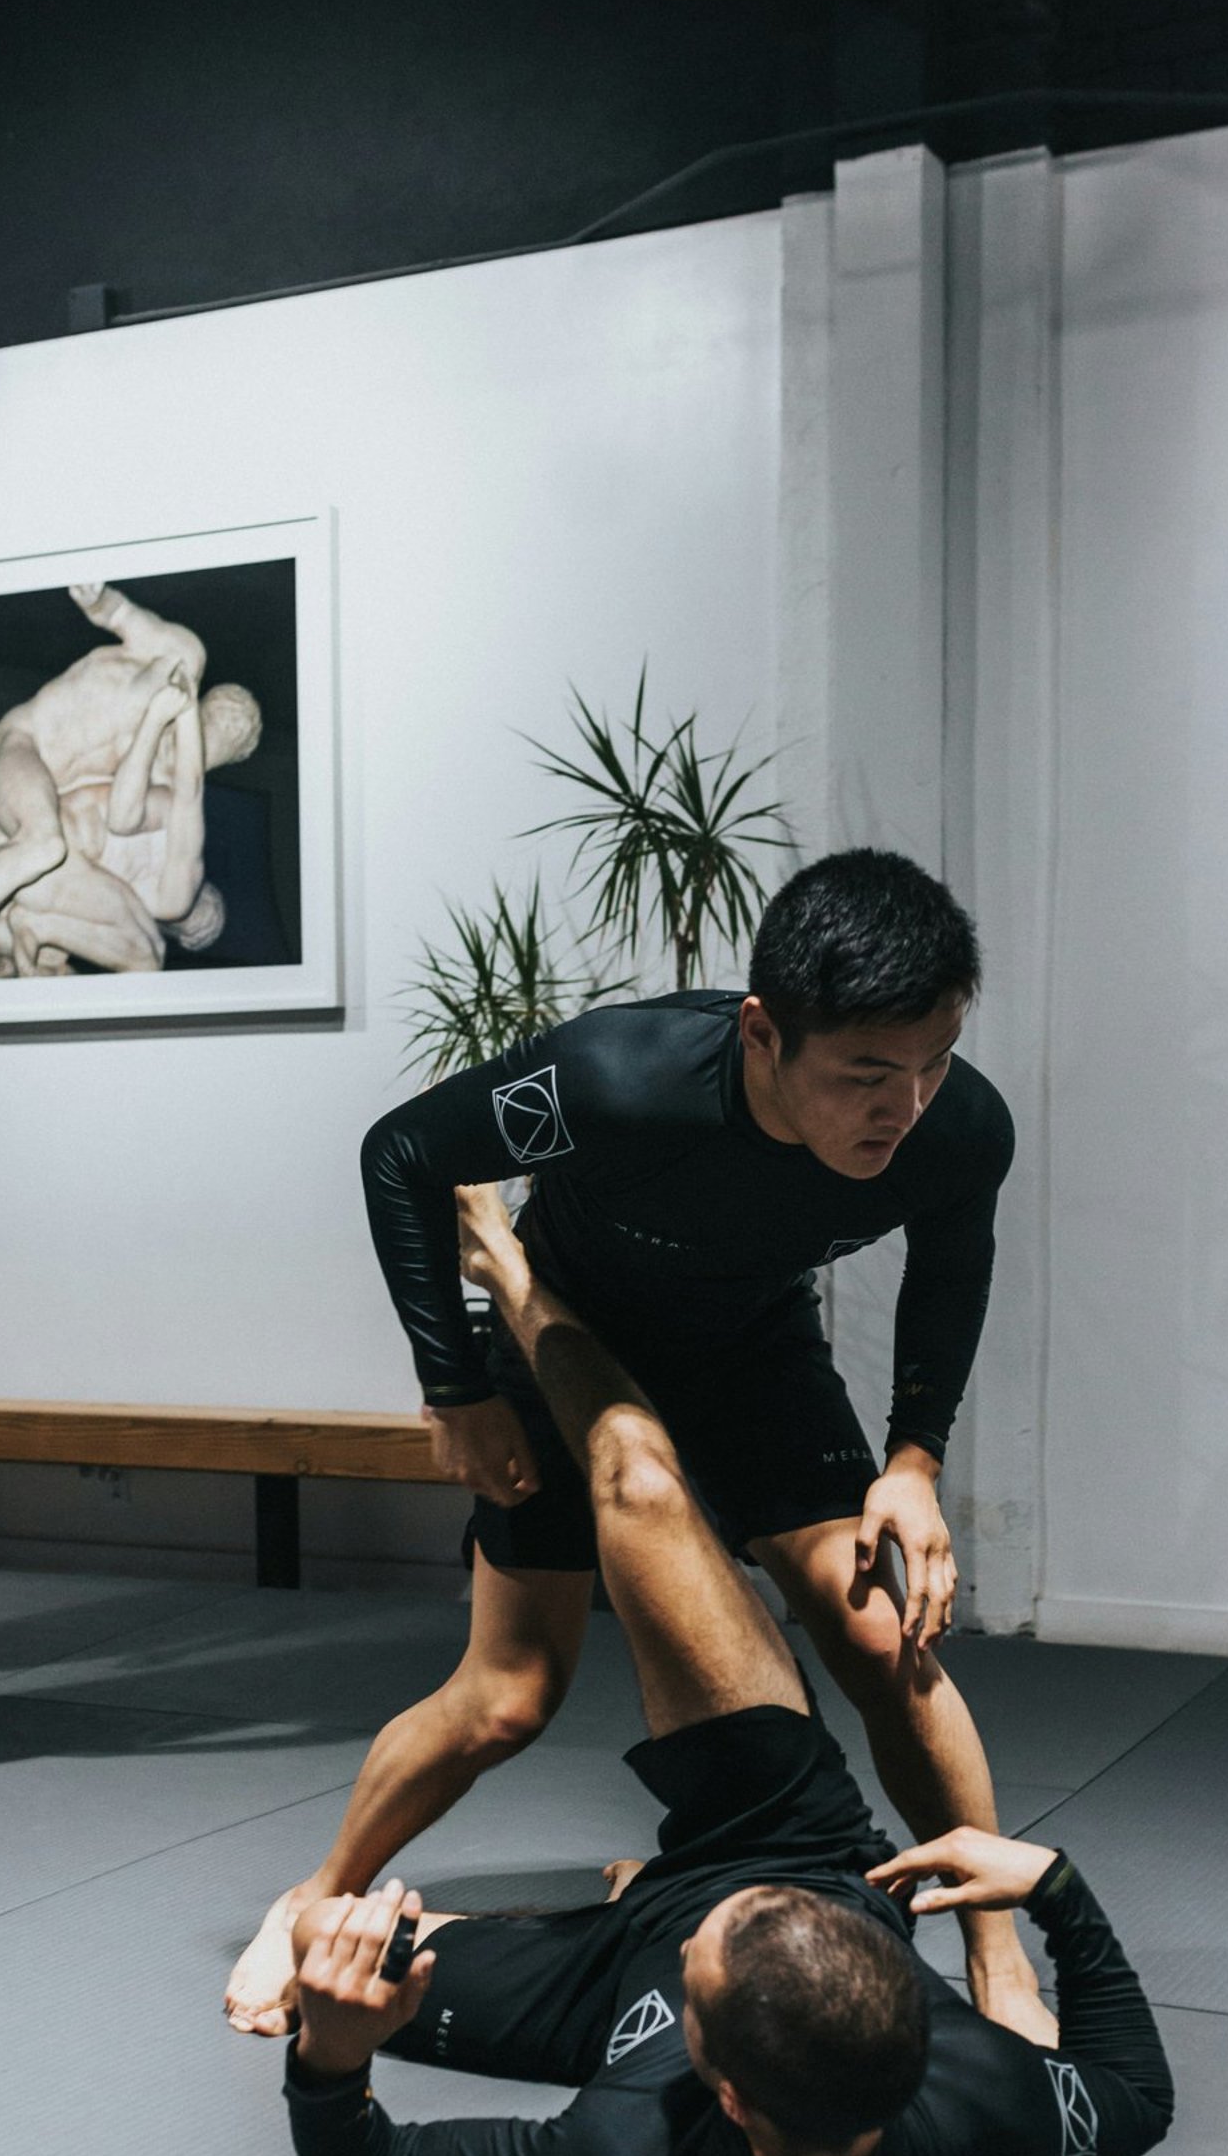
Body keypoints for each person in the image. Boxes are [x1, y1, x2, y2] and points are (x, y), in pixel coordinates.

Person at [229, 849, 1050, 2043]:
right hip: (570, 1339)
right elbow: (403, 1153)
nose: (904, 1107)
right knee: (509, 1697)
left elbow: (951, 1267)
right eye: (868, 1074)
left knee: (883, 1632)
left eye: (931, 1063)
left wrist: (914, 1463)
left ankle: (998, 1956)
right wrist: (457, 1390)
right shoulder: (617, 1078)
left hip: (752, 1348)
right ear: (765, 1033)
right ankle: (316, 1895)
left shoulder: (958, 1128)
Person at [277, 1188, 1173, 2156]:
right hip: (791, 1839)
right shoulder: (988, 2112)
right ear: (910, 2025)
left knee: (319, 1972)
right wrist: (1054, 1891)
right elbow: (1137, 2097)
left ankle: (512, 1277)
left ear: (724, 2092)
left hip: (601, 1990)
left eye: (709, 1952)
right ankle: (519, 1279)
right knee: (642, 1489)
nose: (713, 1925)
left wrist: (329, 2057)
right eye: (752, 1923)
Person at [0, 581, 259, 976]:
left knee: (132, 952)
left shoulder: (162, 794)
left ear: (230, 758)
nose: (225, 726)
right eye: (225, 713)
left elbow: (143, 836)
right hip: (25, 746)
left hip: (44, 829)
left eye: (234, 734)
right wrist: (99, 596)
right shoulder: (180, 661)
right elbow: (117, 613)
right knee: (43, 844)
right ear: (207, 702)